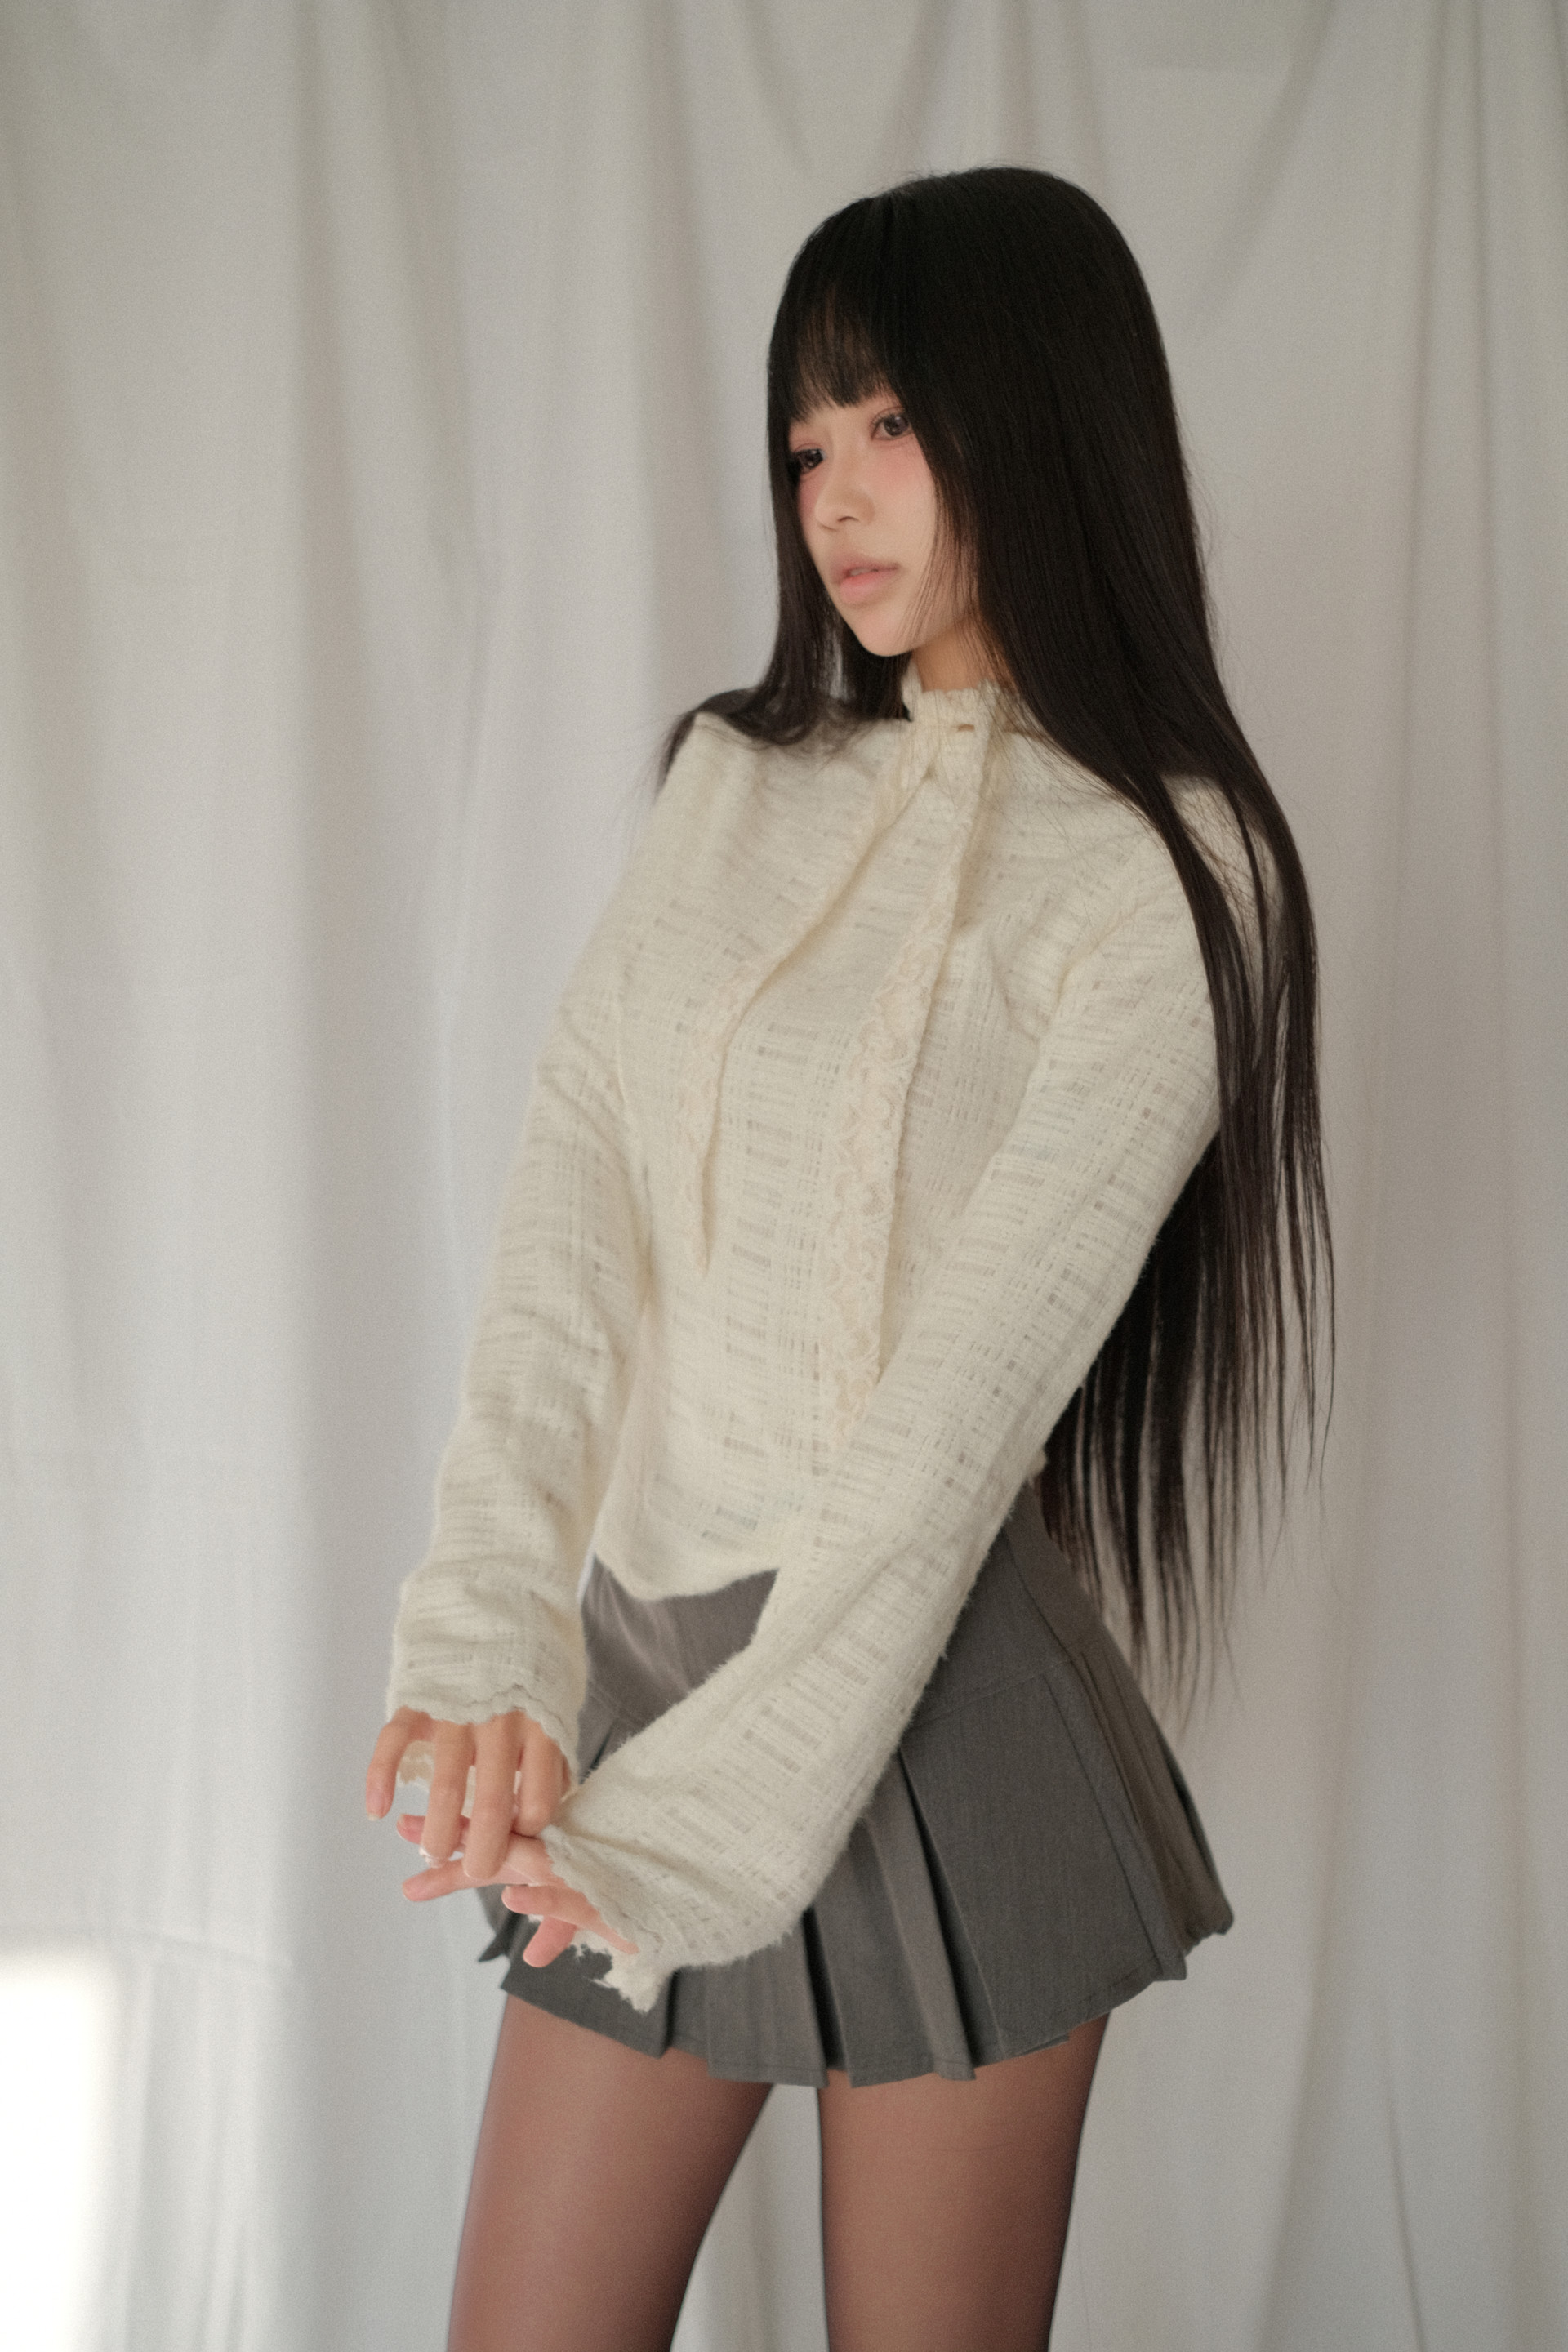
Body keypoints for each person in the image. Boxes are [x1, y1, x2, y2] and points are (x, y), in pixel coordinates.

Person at [364, 166, 1333, 2352]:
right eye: (808, 440)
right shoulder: (735, 783)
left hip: (946, 1705)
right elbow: (574, 1207)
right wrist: (496, 1628)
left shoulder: (1174, 871)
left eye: (892, 422)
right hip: (657, 1666)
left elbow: (961, 1413)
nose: (835, 494)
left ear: (1043, 415)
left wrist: (697, 1830)